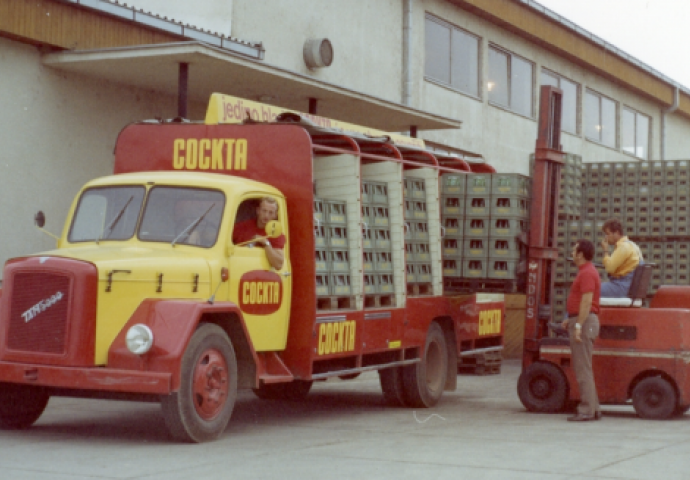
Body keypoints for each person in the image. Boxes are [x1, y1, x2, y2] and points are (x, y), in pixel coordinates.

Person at [562, 239, 601, 422]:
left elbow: (586, 301)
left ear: (580, 254)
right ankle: (594, 408)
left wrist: (577, 324)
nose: (571, 253)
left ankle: (586, 410)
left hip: (584, 323)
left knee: (582, 368)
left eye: (574, 250)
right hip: (581, 320)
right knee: (585, 367)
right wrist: (570, 320)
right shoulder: (587, 272)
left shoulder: (586, 273)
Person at [232, 197, 285, 270]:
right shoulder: (243, 226)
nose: (266, 215)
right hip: (238, 268)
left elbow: (278, 264)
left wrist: (266, 243)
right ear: (258, 211)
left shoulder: (276, 233)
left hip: (263, 273)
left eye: (270, 212)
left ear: (275, 215)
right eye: (264, 211)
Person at [600, 219, 643, 298]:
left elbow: (609, 269)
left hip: (621, 287)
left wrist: (606, 251)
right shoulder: (633, 245)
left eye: (607, 234)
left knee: (590, 289)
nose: (606, 237)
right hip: (629, 286)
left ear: (616, 233)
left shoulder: (623, 247)